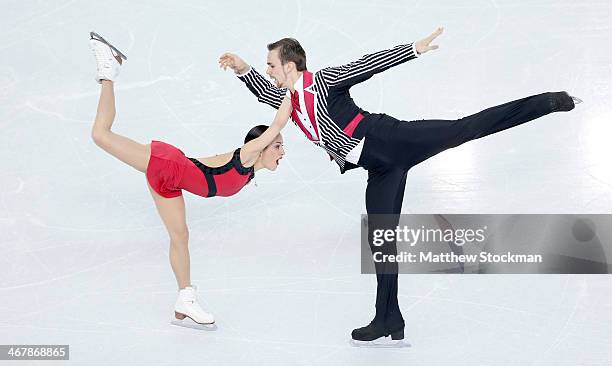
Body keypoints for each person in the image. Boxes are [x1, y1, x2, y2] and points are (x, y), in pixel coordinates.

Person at [219, 27, 581, 344]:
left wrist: (414, 49)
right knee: (381, 240)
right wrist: (242, 70)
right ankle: (388, 317)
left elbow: (366, 64)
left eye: (271, 65)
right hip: (378, 168)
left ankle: (550, 101)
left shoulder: (324, 81)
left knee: (463, 128)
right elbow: (264, 92)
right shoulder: (289, 100)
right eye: (266, 66)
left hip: (390, 139)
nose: (269, 71)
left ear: (291, 66)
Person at [89, 32, 289, 329]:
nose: (282, 151)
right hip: (168, 165)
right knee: (100, 135)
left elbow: (204, 166)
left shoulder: (247, 172)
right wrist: (291, 92)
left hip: (171, 181)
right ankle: (108, 68)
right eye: (277, 146)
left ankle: (185, 298)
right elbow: (277, 123)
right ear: (261, 146)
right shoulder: (247, 155)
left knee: (180, 237)